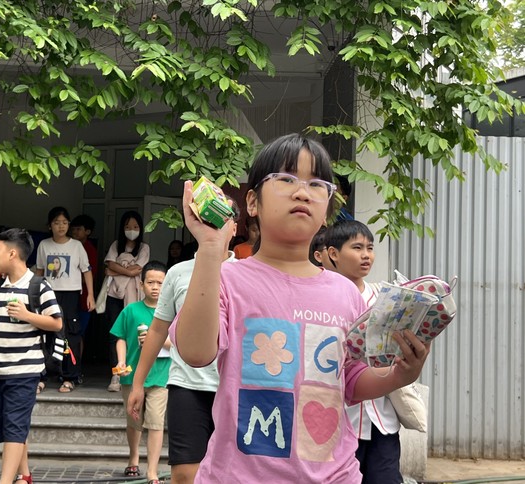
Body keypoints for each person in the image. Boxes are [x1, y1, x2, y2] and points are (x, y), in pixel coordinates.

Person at [172, 133, 431, 483]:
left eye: (317, 184)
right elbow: (195, 352)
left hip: (335, 476)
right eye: (286, 178)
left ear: (327, 209)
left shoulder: (345, 293)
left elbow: (351, 381)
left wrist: (403, 374)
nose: (301, 191)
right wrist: (208, 247)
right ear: (252, 202)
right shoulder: (227, 279)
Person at [127, 199, 239, 484]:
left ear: (234, 228)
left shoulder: (247, 274)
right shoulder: (178, 273)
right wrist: (138, 383)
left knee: (233, 471)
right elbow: (157, 330)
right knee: (185, 473)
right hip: (187, 385)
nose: (213, 227)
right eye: (208, 219)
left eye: (222, 220)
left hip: (235, 389)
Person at [0, 228, 63, 484]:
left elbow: (56, 324)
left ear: (12, 253)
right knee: (7, 426)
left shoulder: (38, 286)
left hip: (24, 371)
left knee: (14, 427)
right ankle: (25, 475)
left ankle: (6, 481)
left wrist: (27, 315)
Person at [324, 220, 403, 483]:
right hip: (338, 421)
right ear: (333, 253)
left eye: (370, 248)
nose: (366, 255)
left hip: (382, 420)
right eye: (357, 247)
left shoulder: (386, 299)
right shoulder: (322, 300)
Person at [110, 260, 170, 484]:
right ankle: (133, 458)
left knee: (155, 422)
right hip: (132, 375)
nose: (155, 287)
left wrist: (159, 341)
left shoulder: (172, 312)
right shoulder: (131, 310)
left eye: (160, 283)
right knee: (134, 421)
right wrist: (122, 361)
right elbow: (121, 338)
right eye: (151, 282)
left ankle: (152, 470)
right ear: (142, 284)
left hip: (161, 375)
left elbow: (179, 342)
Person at [35, 207, 95, 393]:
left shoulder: (77, 246)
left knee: (71, 335)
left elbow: (87, 270)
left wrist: (90, 295)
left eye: (64, 222)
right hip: (48, 294)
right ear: (49, 225)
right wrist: (34, 294)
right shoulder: (44, 245)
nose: (61, 226)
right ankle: (41, 376)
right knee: (45, 334)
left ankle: (70, 377)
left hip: (70, 294)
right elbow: (39, 271)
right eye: (56, 222)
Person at [104, 210, 150, 392]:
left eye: (135, 227)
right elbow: (109, 265)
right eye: (128, 226)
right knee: (115, 335)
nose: (132, 230)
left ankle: (132, 373)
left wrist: (116, 270)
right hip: (114, 296)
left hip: (134, 297)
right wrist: (127, 270)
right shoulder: (116, 244)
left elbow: (136, 271)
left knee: (134, 334)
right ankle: (115, 374)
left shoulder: (144, 248)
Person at [69, 214, 99, 364]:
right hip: (70, 298)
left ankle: (77, 366)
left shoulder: (89, 249)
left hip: (83, 298)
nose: (74, 232)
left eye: (78, 229)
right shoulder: (69, 246)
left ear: (88, 231)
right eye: (73, 228)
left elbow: (90, 274)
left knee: (78, 333)